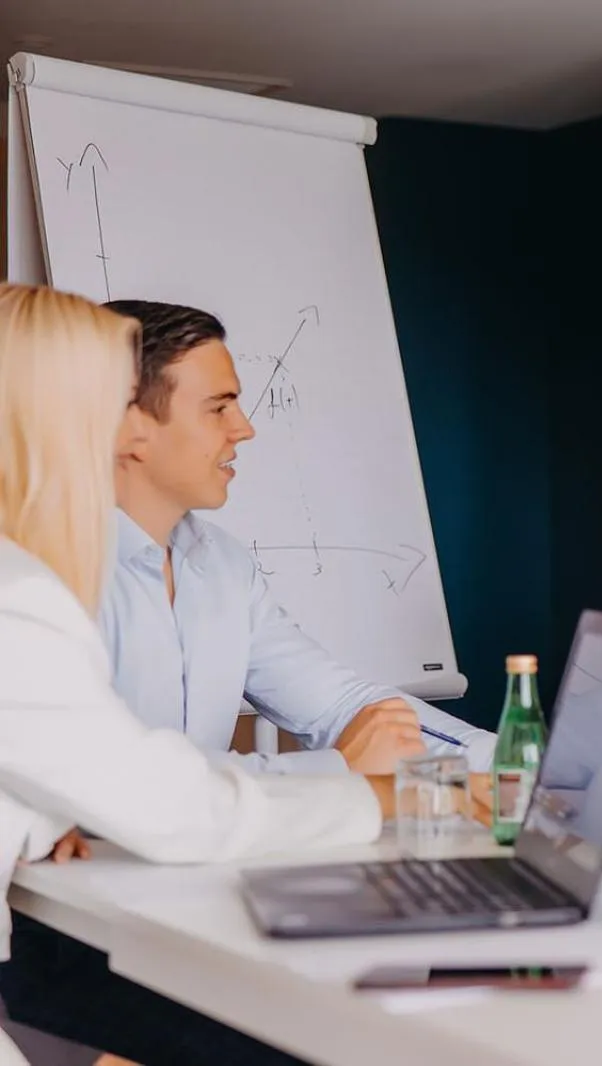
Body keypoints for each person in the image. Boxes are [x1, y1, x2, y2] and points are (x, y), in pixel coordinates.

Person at [0, 284, 462, 1062]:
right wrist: (381, 791)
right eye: (103, 404)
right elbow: (173, 804)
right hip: (74, 940)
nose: (243, 428)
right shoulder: (23, 597)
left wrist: (499, 769)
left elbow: (107, 784)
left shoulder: (206, 566)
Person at [100, 300, 492, 775]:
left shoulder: (222, 566)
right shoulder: (53, 575)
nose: (244, 428)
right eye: (218, 407)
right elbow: (117, 780)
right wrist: (336, 769)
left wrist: (512, 767)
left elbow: (340, 707)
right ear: (132, 424)